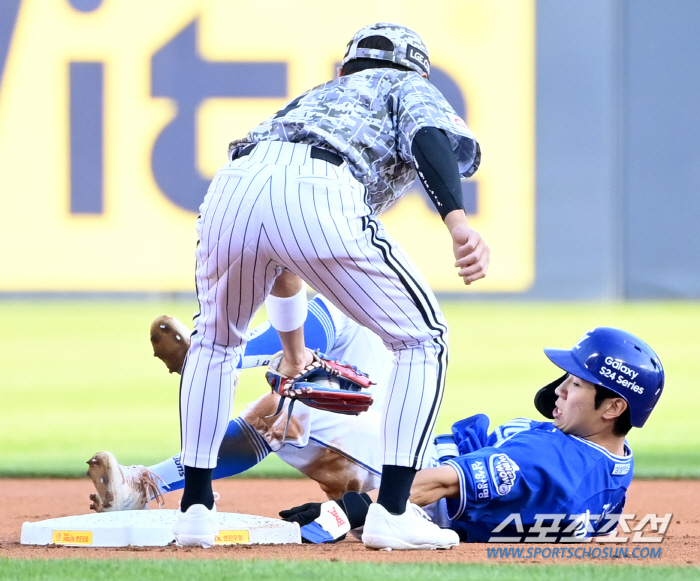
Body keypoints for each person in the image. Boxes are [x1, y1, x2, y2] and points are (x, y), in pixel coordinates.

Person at [176, 22, 489, 549]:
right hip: (318, 187)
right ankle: (392, 510)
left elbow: (283, 263)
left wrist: (294, 353)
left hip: (233, 185)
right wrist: (457, 222)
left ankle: (195, 511)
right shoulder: (407, 85)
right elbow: (427, 137)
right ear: (418, 71)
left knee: (215, 343)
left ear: (345, 68)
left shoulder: (314, 98)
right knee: (424, 338)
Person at [89, 304, 664, 545]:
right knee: (345, 334)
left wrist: (353, 511)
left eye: (577, 381)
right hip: (407, 448)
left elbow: (436, 485)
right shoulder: (598, 457)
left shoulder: (557, 460)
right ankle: (153, 474)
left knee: (298, 399)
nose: (562, 386)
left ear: (614, 407)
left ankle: (153, 474)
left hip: (395, 480)